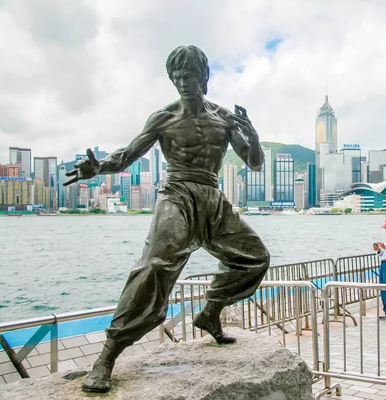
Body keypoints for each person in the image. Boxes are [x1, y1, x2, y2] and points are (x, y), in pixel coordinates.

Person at [65, 45, 271, 393]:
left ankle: (210, 312)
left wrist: (252, 135)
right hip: (176, 195)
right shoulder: (163, 117)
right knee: (154, 267)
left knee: (256, 259)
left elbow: (254, 163)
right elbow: (127, 156)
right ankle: (107, 356)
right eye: (176, 77)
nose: (182, 83)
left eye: (188, 76)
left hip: (211, 197)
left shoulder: (224, 117)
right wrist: (98, 168)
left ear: (204, 77)